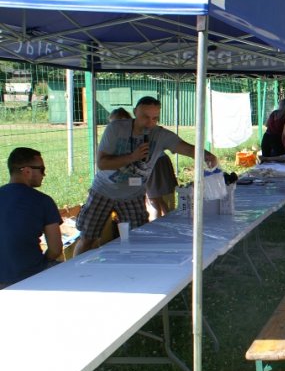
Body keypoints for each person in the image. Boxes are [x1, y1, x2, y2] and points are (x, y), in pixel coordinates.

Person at [74, 96, 217, 255]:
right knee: (87, 239)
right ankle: (75, 270)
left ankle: (133, 269)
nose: (150, 123)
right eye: (145, 117)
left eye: (155, 118)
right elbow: (102, 163)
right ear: (135, 112)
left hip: (133, 195)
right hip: (103, 191)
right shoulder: (115, 129)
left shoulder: (161, 135)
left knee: (138, 239)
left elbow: (187, 148)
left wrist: (207, 155)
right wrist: (132, 157)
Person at [0, 148, 63, 288]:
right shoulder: (43, 201)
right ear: (27, 171)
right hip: (29, 277)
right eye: (41, 169)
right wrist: (44, 262)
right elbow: (55, 249)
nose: (44, 174)